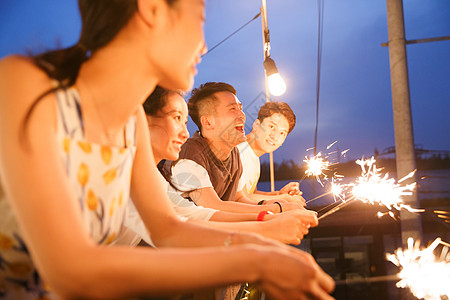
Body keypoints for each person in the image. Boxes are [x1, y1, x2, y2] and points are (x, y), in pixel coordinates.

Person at [0, 1, 334, 299]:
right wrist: (257, 256)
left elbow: (168, 229)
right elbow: (71, 271)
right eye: (199, 17)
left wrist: (266, 246)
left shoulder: (130, 123)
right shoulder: (26, 84)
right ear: (152, 8)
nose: (203, 43)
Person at [118, 86, 316, 247]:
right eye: (177, 118)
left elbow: (193, 215)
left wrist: (270, 214)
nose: (185, 133)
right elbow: (199, 213)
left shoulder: (150, 177)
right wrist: (273, 215)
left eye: (283, 133)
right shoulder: (190, 155)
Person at [162, 82, 312, 216]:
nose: (242, 115)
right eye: (232, 109)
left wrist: (272, 204)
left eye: (240, 108)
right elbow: (213, 206)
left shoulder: (233, 153)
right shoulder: (191, 152)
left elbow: (240, 198)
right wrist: (277, 207)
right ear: (208, 122)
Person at [237, 101, 305, 204]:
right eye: (272, 127)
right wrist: (283, 199)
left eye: (282, 133)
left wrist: (278, 194)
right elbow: (239, 198)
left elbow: (251, 193)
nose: (275, 137)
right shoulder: (239, 152)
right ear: (256, 125)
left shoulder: (253, 157)